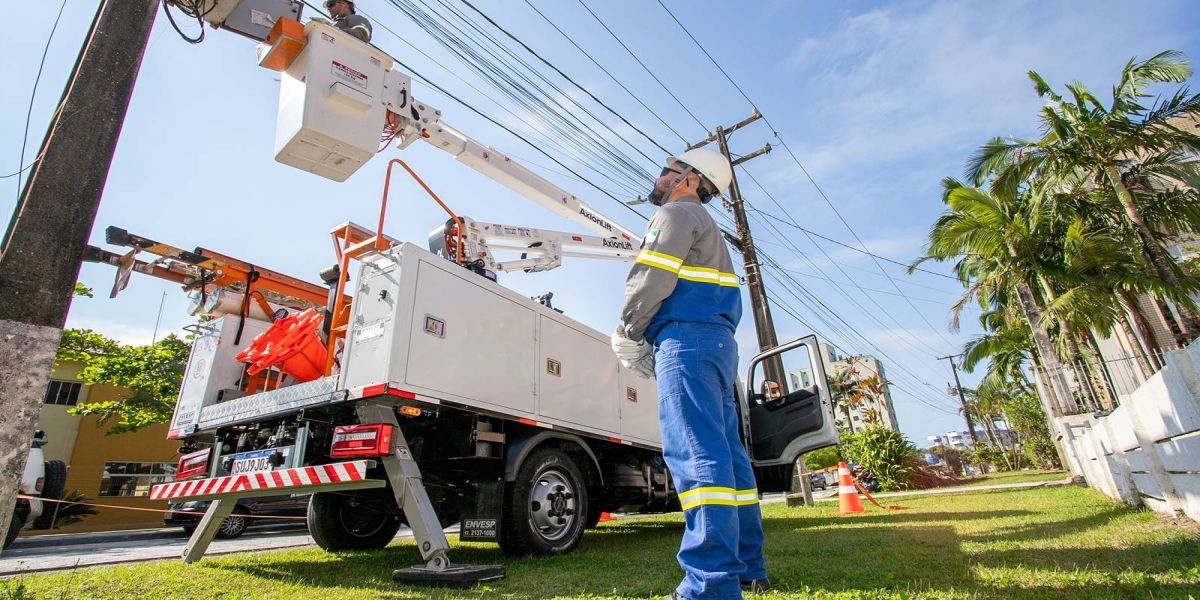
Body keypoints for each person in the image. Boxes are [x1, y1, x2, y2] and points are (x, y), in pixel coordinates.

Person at [611, 149, 769, 599]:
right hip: (716, 345)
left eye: (667, 169)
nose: (659, 177)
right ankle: (747, 570)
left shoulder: (677, 213)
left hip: (685, 342)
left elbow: (652, 276)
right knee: (728, 460)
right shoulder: (710, 229)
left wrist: (630, 329)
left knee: (696, 456)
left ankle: (709, 585)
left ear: (690, 178)